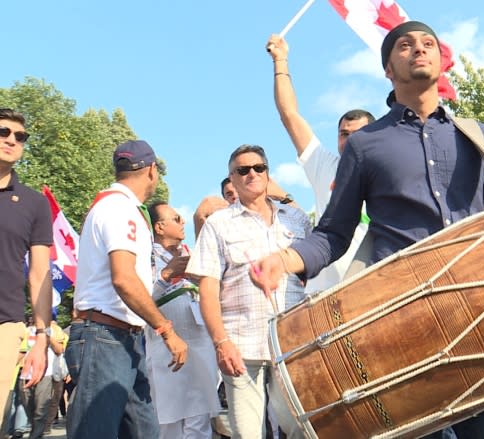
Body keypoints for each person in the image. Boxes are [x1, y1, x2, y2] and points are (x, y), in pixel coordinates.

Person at [252, 21, 484, 439]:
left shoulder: (479, 136)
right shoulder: (365, 145)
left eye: (428, 43)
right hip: (405, 323)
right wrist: (286, 259)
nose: (419, 49)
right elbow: (333, 233)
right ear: (388, 69)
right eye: (405, 45)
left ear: (440, 59)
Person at [65, 140, 188, 439]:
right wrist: (166, 330)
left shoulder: (117, 207)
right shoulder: (120, 209)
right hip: (105, 335)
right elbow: (124, 278)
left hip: (120, 337)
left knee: (144, 432)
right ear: (152, 171)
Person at [186, 144, 310, 439]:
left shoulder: (296, 220)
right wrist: (221, 343)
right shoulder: (218, 224)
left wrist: (288, 198)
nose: (252, 174)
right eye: (243, 170)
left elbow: (316, 258)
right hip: (242, 346)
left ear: (269, 174)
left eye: (259, 168)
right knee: (247, 434)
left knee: (301, 430)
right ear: (232, 178)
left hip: (293, 343)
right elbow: (208, 289)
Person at [267, 33, 375, 291]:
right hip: (323, 299)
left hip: (374, 297)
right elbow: (289, 115)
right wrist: (280, 61)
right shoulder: (324, 166)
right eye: (343, 134)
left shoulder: (390, 172)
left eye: (357, 135)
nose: (349, 141)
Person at [146, 202, 220, 439]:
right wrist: (166, 275)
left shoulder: (191, 254)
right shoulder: (146, 256)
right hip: (166, 348)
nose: (183, 222)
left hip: (200, 342)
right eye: (176, 218)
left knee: (200, 418)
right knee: (170, 422)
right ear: (159, 227)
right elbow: (138, 300)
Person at [0, 108, 53, 429]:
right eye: (3, 132)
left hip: (5, 325)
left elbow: (39, 274)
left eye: (20, 137)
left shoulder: (34, 203)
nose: (11, 140)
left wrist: (42, 338)